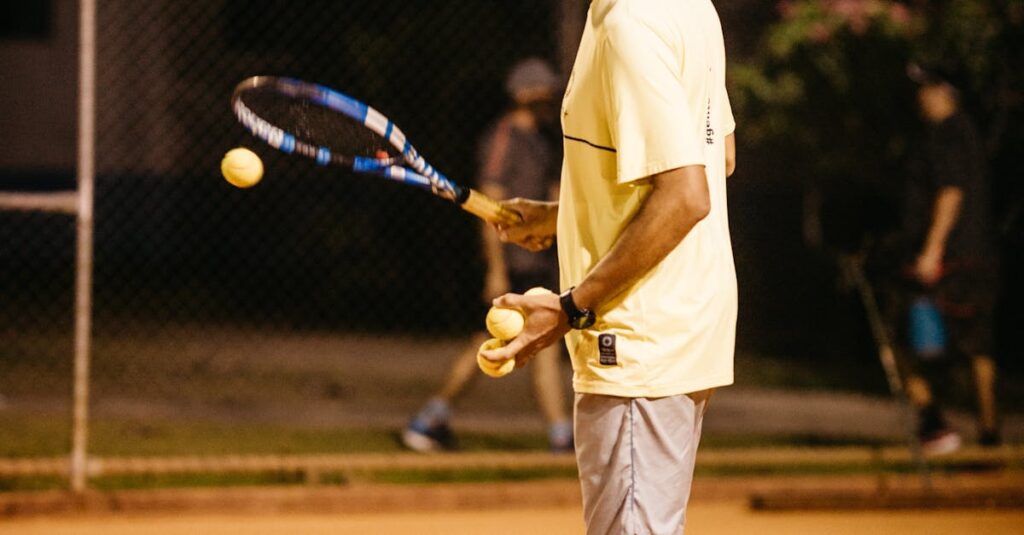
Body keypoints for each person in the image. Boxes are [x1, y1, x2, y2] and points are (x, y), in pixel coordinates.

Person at [481, 1, 737, 532]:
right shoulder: (687, 8)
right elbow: (719, 155)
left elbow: (687, 195)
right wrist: (564, 215)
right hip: (683, 319)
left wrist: (571, 307)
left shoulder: (630, 25)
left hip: (637, 336)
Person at [402, 58, 574, 454]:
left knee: (528, 343)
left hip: (538, 258)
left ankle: (433, 418)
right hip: (512, 261)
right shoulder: (503, 137)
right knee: (496, 341)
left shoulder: (544, 140)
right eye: (544, 90)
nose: (551, 97)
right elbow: (489, 204)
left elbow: (554, 194)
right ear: (523, 95)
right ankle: (430, 418)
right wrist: (495, 269)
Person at [899, 62, 1001, 454]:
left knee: (910, 345)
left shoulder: (946, 133)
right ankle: (986, 432)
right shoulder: (967, 133)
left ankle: (937, 425)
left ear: (946, 92)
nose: (920, 96)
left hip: (950, 260)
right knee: (974, 344)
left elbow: (951, 191)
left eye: (927, 88)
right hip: (971, 255)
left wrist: (932, 249)